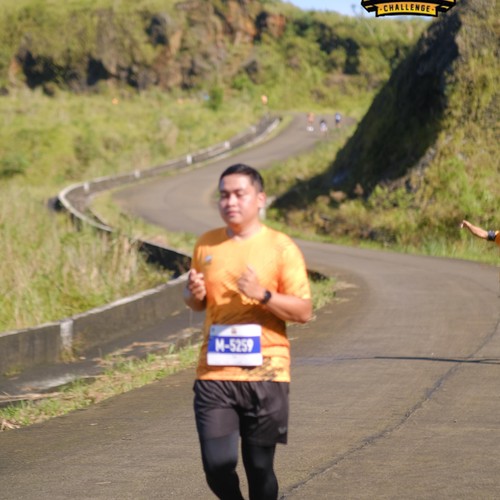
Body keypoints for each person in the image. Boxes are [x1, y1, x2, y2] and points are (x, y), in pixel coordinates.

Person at [184, 163, 312, 500]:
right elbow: (197, 302)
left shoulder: (281, 247)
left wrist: (263, 294)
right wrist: (193, 294)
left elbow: (303, 311)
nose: (230, 202)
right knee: (217, 465)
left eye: (239, 194)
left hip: (267, 373)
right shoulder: (206, 245)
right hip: (215, 373)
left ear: (260, 198)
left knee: (259, 467)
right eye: (224, 195)